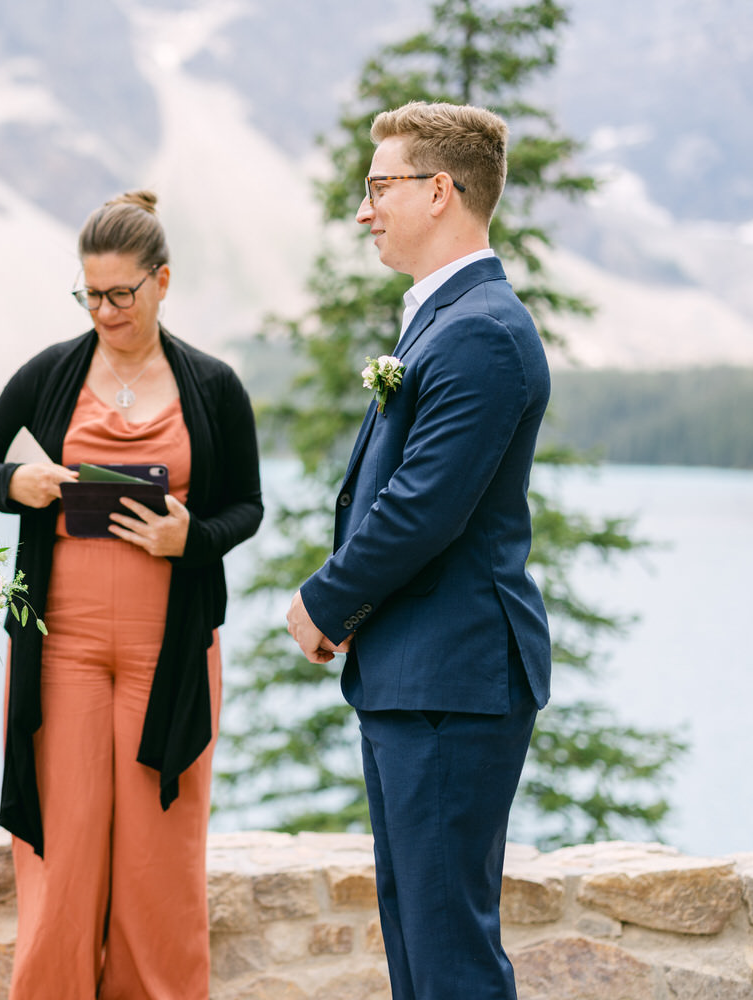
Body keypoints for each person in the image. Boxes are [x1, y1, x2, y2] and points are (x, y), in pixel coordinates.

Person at [0, 190, 263, 999]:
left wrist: (187, 538)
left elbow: (248, 508)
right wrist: (18, 482)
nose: (104, 310)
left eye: (120, 294)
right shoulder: (53, 374)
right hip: (63, 652)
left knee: (158, 868)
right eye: (89, 295)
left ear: (162, 282)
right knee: (65, 857)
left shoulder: (214, 385)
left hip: (170, 658)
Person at [285, 102, 552, 1000]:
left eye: (379, 187)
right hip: (420, 675)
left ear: (439, 191)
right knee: (417, 939)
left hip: (454, 678)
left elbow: (422, 509)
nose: (365, 210)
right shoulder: (447, 319)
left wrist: (325, 603)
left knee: (448, 957)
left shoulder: (481, 328)